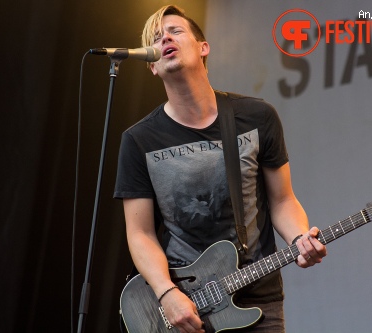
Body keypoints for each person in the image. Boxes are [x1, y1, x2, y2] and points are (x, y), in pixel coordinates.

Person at [114, 5, 327, 333]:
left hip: (258, 295)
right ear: (152, 66)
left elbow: (282, 200)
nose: (165, 37)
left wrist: (300, 238)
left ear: (203, 47)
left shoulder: (256, 117)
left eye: (175, 31)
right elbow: (139, 233)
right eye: (156, 38)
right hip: (183, 303)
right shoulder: (139, 140)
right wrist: (167, 293)